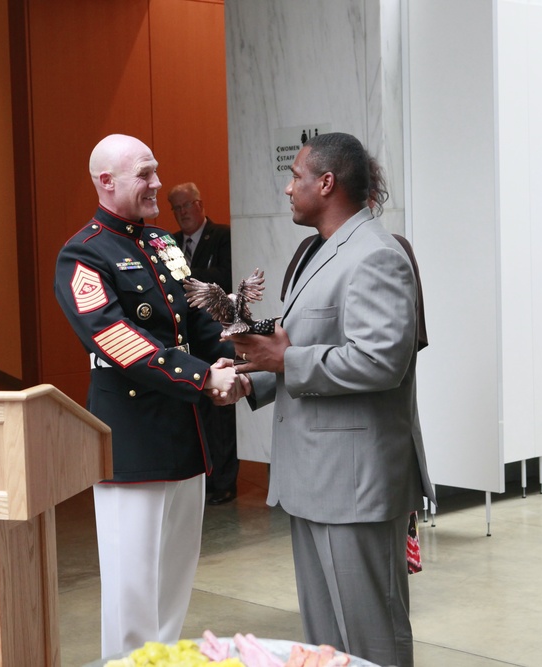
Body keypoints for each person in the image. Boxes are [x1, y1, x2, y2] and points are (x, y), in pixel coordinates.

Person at [224, 132, 435, 667]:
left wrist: (283, 362)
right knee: (327, 642)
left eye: (296, 177)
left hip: (355, 485)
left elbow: (380, 362)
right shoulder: (321, 250)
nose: (288, 188)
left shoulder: (376, 256)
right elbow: (303, 346)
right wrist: (254, 377)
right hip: (315, 478)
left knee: (371, 639)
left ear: (326, 182)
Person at [53, 134, 236, 658]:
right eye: (145, 174)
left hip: (184, 439)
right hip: (132, 446)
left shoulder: (162, 244)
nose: (158, 183)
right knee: (132, 592)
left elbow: (197, 321)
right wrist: (202, 379)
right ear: (106, 182)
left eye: (156, 171)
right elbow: (116, 338)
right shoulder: (83, 253)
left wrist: (232, 358)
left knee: (173, 586)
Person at [168, 182, 239, 505]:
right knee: (194, 412)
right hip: (186, 341)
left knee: (221, 414)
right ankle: (203, 478)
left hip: (217, 334)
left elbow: (225, 275)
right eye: (176, 208)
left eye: (186, 206)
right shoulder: (168, 243)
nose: (182, 213)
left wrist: (186, 278)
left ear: (199, 204)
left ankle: (224, 481)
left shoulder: (223, 235)